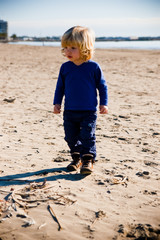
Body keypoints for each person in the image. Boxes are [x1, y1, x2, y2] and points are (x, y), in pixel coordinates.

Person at [53, 26, 108, 175]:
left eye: (72, 47)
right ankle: (76, 158)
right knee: (70, 136)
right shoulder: (65, 68)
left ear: (85, 48)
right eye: (65, 48)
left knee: (87, 136)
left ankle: (88, 160)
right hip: (69, 111)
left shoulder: (93, 67)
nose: (67, 51)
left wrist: (104, 103)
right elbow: (60, 88)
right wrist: (57, 103)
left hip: (88, 111)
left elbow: (102, 87)